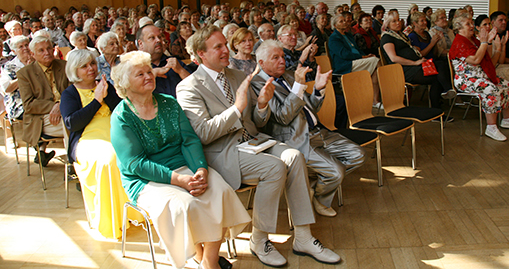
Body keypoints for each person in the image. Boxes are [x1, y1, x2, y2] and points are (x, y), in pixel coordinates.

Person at [176, 26, 341, 267]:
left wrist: (262, 104)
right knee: (274, 168)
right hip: (224, 153)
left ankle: (304, 237)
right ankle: (259, 239)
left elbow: (257, 122)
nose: (225, 50)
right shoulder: (189, 86)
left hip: (253, 141)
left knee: (294, 156)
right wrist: (237, 109)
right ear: (201, 53)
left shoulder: (236, 76)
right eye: (218, 47)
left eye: (225, 44)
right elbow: (203, 134)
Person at [111, 51, 250, 269]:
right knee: (185, 205)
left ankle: (209, 260)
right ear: (125, 83)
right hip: (146, 180)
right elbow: (135, 164)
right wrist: (178, 180)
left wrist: (201, 170)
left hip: (185, 167)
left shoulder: (168, 103)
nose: (149, 76)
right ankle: (198, 255)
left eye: (149, 71)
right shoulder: (122, 117)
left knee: (220, 191)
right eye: (140, 74)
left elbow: (189, 140)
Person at [252, 40, 365, 217]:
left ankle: (315, 185)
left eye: (282, 56)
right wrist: (297, 87)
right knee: (336, 172)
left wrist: (318, 90)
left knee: (358, 155)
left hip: (318, 131)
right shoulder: (258, 84)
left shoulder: (289, 76)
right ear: (261, 63)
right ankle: (321, 198)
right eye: (275, 58)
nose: (282, 61)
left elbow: (309, 107)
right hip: (295, 138)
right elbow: (283, 117)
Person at [60, 49, 131, 239]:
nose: (91, 68)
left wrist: (106, 93)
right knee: (109, 159)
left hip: (114, 131)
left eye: (92, 63)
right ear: (75, 70)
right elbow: (72, 122)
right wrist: (97, 100)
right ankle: (110, 219)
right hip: (88, 139)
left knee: (132, 153)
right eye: (84, 66)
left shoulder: (104, 85)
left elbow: (121, 109)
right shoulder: (70, 93)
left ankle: (131, 212)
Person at [449, 14, 509, 142]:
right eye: (468, 24)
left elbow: (488, 60)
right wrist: (485, 42)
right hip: (466, 80)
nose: (472, 26)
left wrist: (494, 45)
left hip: (481, 76)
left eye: (472, 23)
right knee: (490, 89)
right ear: (459, 28)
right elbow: (476, 60)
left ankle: (507, 119)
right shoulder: (459, 43)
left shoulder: (474, 40)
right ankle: (491, 127)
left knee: (506, 85)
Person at [380, 11, 455, 111]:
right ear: (388, 24)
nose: (398, 23)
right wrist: (415, 62)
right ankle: (436, 110)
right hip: (403, 69)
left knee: (441, 64)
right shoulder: (387, 37)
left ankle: (447, 89)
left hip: (415, 65)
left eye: (398, 20)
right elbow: (393, 58)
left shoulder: (401, 35)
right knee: (436, 78)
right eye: (394, 21)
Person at [17, 35, 70, 166]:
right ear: (33, 54)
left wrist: (60, 106)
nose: (46, 53)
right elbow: (29, 105)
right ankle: (72, 165)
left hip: (65, 111)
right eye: (41, 50)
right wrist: (54, 106)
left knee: (74, 120)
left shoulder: (64, 66)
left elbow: (73, 91)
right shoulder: (25, 74)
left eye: (49, 49)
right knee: (69, 122)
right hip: (40, 119)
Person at [329, 14, 381, 105]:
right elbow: (344, 54)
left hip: (356, 60)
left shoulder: (348, 35)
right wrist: (362, 57)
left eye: (344, 20)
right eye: (341, 21)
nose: (344, 22)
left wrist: (366, 56)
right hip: (345, 64)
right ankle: (382, 93)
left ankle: (375, 100)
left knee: (375, 69)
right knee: (375, 61)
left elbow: (357, 50)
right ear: (335, 25)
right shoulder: (334, 38)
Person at [137, 24, 191, 97]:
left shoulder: (174, 62)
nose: (158, 40)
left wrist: (181, 71)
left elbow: (197, 88)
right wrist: (152, 74)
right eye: (152, 38)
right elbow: (132, 95)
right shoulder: (135, 67)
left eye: (159, 37)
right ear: (141, 44)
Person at [1, 36, 33, 123]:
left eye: (26, 45)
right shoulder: (9, 67)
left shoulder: (37, 62)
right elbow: (7, 88)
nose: (25, 48)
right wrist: (27, 72)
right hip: (19, 104)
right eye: (21, 47)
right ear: (14, 51)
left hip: (39, 100)